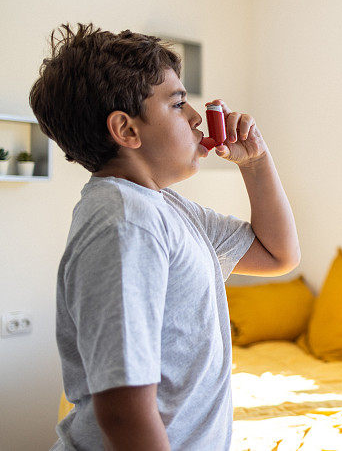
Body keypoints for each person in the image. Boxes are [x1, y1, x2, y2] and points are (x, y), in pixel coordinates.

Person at [29, 23, 301, 450]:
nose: (196, 117)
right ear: (127, 130)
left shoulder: (165, 207)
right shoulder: (125, 222)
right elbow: (124, 411)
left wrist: (256, 162)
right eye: (177, 104)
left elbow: (278, 255)